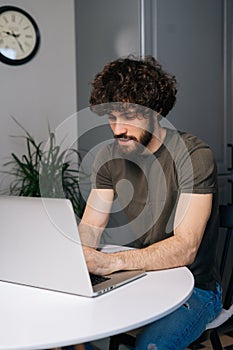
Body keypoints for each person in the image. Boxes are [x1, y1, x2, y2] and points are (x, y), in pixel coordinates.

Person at [78, 56, 222, 350]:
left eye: (129, 116)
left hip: (196, 288)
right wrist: (80, 256)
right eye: (111, 116)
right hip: (141, 279)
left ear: (156, 112)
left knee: (149, 346)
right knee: (66, 327)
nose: (117, 128)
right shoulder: (108, 157)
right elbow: (90, 227)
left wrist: (112, 262)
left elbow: (185, 247)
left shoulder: (194, 154)